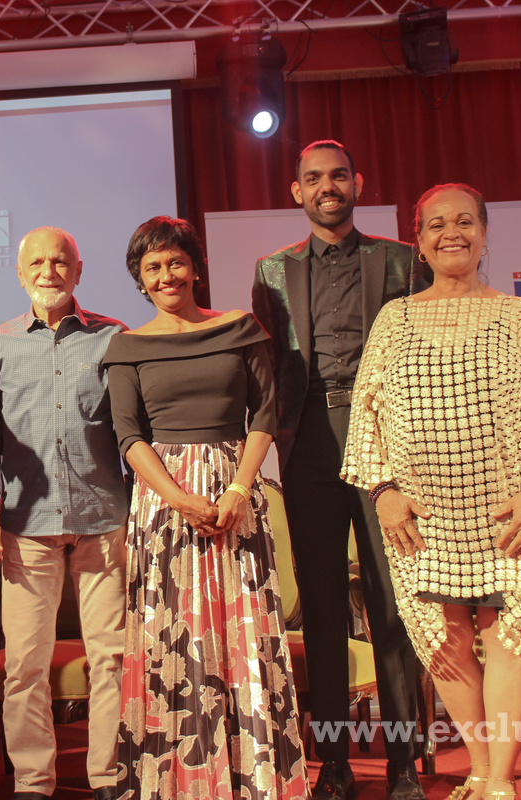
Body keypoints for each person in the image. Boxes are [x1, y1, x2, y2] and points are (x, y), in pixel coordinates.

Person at [341, 184, 521, 800]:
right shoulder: (395, 318)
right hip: (421, 516)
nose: (453, 233)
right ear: (418, 241)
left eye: (465, 221)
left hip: (509, 511)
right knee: (444, 637)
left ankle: (501, 779)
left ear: (485, 232)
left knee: (508, 637)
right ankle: (477, 763)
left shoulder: (519, 314)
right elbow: (365, 416)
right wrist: (384, 490)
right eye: (437, 224)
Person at [102, 216, 308, 800]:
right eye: (153, 267)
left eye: (175, 262)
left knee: (243, 636)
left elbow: (265, 414)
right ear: (139, 280)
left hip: (235, 494)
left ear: (195, 267)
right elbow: (127, 434)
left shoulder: (242, 329)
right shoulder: (126, 347)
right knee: (171, 639)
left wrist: (239, 491)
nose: (167, 275)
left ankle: (256, 780)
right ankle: (180, 782)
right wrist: (178, 497)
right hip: (164, 504)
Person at [252, 139, 425, 800]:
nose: (327, 186)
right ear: (296, 191)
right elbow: (268, 365)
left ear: (358, 182)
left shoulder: (401, 260)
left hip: (390, 444)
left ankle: (406, 762)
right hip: (312, 443)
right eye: (313, 178)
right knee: (323, 609)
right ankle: (334, 764)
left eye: (338, 175)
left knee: (392, 604)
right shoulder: (272, 270)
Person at [0, 226, 128, 800]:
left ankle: (108, 778)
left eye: (61, 262)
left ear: (79, 271)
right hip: (24, 529)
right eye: (37, 262)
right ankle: (33, 784)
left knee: (112, 660)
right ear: (19, 273)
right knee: (24, 667)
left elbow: (132, 434)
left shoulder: (115, 338)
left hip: (104, 521)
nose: (49, 271)